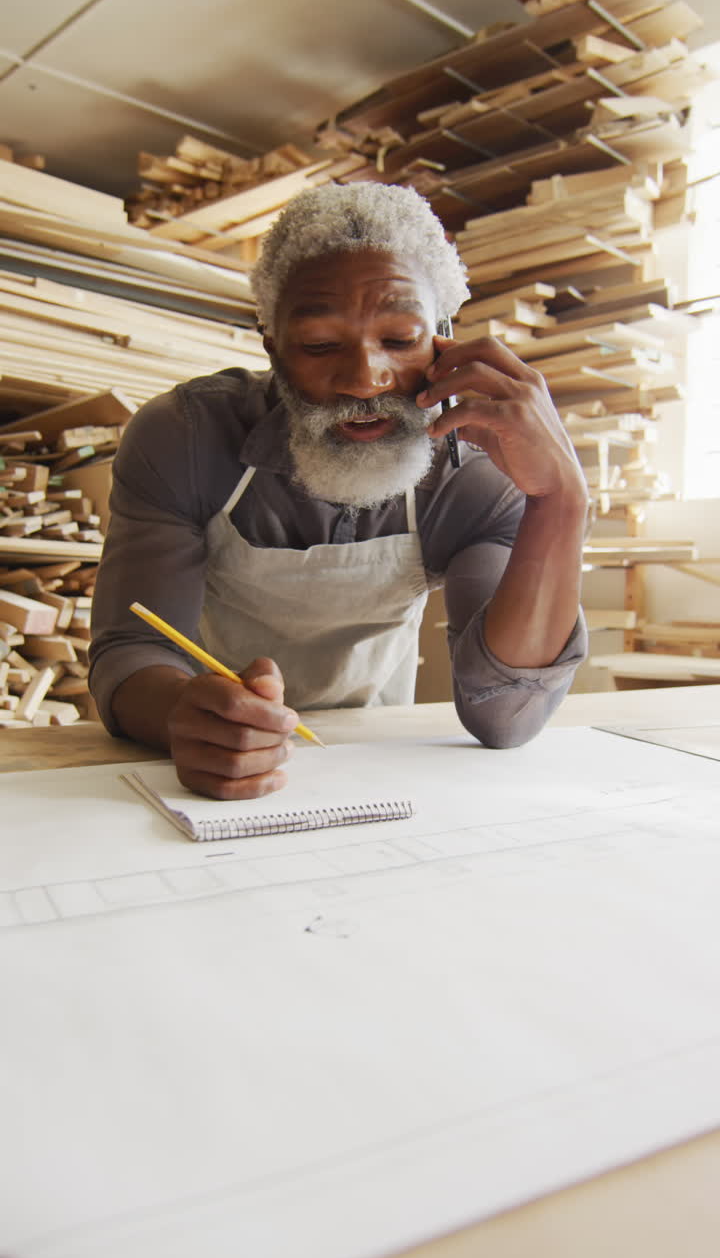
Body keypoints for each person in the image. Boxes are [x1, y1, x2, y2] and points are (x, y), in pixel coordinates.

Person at [89, 182, 589, 800]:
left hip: (375, 769)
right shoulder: (186, 437)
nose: (364, 379)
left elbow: (506, 714)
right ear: (270, 342)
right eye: (320, 345)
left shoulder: (477, 469)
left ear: (443, 336)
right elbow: (134, 649)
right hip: (197, 768)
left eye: (401, 340)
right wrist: (181, 715)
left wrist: (561, 498)